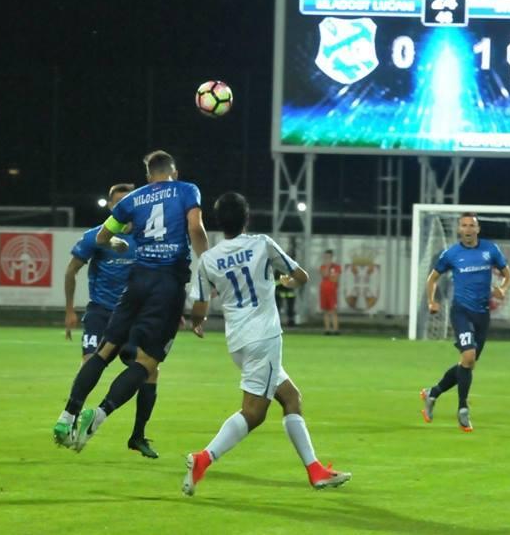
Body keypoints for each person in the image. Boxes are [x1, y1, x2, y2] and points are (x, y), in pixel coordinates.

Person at [182, 192, 350, 496]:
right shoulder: (261, 243)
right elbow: (301, 276)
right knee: (254, 413)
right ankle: (203, 458)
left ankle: (315, 470)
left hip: (238, 343)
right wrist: (287, 282)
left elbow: (200, 306)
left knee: (291, 398)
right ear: (246, 219)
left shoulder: (208, 259)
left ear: (219, 223)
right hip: (264, 338)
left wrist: (197, 323)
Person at [53, 150, 208, 451]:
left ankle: (66, 415)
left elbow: (102, 237)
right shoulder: (187, 190)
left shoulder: (134, 199)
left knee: (103, 353)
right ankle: (98, 415)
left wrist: (116, 242)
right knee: (147, 363)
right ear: (174, 172)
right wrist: (209, 259)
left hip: (136, 282)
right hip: (167, 284)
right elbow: (194, 227)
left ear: (149, 177)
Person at [63, 182, 160, 458]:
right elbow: (71, 271)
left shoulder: (146, 239)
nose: (123, 208)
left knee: (150, 370)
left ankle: (138, 435)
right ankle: (71, 420)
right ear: (111, 207)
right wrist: (69, 310)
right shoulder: (97, 236)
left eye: (127, 202)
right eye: (118, 203)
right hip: (101, 313)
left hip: (133, 316)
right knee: (89, 361)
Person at [420, 212, 510, 432]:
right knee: (469, 356)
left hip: (482, 314)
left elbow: (508, 276)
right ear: (459, 229)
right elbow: (432, 278)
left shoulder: (490, 249)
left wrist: (502, 289)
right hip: (461, 311)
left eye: (472, 225)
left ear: (478, 229)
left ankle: (433, 393)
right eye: (464, 225)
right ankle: (463, 409)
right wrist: (432, 301)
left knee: (467, 363)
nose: (468, 229)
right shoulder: (451, 254)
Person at [319, 250, 341, 335]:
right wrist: (328, 267)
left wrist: (330, 276)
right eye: (325, 257)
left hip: (332, 291)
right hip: (323, 291)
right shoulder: (323, 267)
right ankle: (327, 330)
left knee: (333, 311)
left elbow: (335, 279)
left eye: (328, 257)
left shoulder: (336, 267)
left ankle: (336, 330)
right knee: (325, 311)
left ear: (331, 257)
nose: (327, 258)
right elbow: (324, 275)